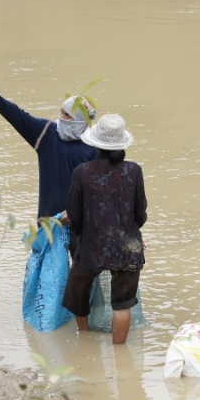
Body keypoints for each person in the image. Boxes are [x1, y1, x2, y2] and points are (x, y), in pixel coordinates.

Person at [62, 114, 147, 345]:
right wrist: (132, 232)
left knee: (77, 292)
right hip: (128, 248)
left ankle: (85, 339)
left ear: (97, 144)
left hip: (92, 247)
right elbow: (140, 214)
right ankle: (120, 352)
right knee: (123, 302)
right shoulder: (134, 171)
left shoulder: (82, 172)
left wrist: (85, 234)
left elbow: (75, 215)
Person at [0, 75, 96, 219]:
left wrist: (76, 212)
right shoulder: (46, 133)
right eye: (61, 112)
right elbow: (18, 116)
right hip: (47, 223)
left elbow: (97, 189)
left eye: (67, 115)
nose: (61, 117)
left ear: (79, 120)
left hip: (78, 226)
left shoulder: (93, 147)